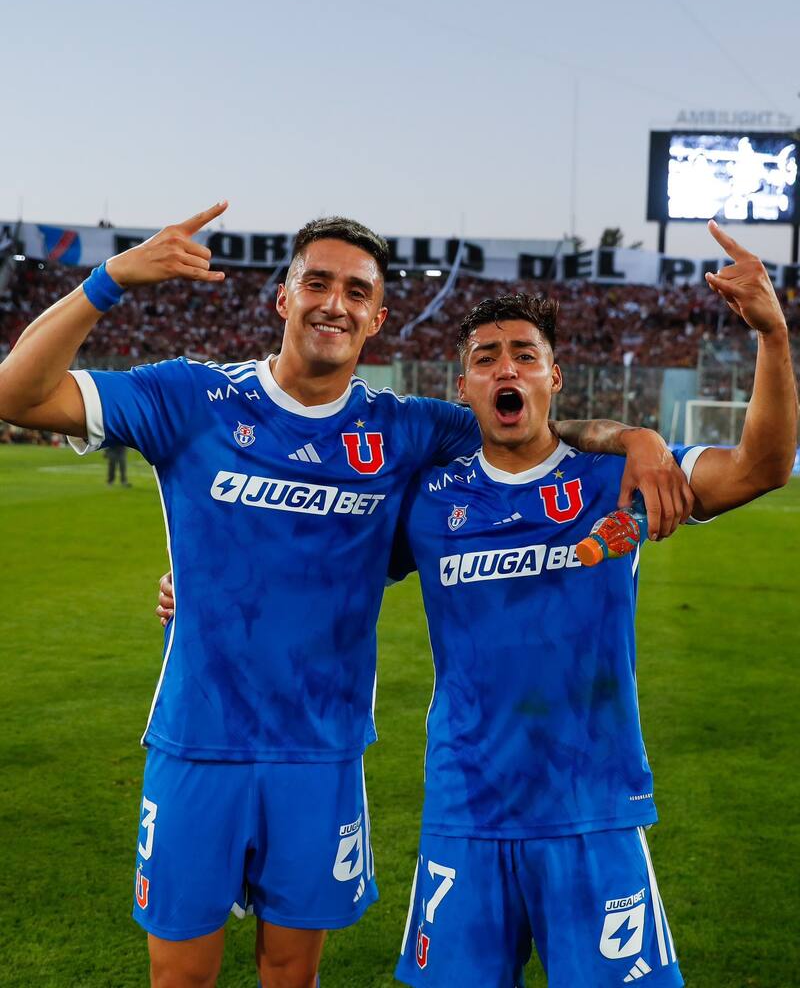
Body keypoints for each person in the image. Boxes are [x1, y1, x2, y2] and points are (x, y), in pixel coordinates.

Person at [0, 202, 692, 988]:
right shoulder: (191, 397)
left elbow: (533, 425)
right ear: (283, 298)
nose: (336, 301)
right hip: (199, 739)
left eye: (357, 291)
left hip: (322, 752)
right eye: (318, 282)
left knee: (292, 976)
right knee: (179, 979)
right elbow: (17, 394)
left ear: (377, 318)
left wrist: (638, 438)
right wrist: (111, 278)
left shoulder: (408, 428)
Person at [388, 222, 797, 988]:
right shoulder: (427, 499)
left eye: (525, 356)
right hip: (465, 813)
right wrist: (197, 593)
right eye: (486, 358)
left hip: (594, 811)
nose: (505, 368)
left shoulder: (621, 481)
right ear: (465, 387)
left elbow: (762, 467)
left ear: (554, 379)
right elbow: (316, 564)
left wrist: (773, 337)